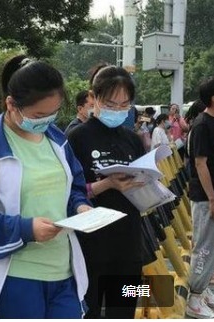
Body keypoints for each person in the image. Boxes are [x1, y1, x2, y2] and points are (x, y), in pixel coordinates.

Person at [0, 55, 92, 319]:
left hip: (64, 273)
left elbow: (74, 185)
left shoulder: (58, 142)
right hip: (15, 279)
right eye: (39, 114)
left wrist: (81, 205)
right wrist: (26, 229)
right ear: (11, 104)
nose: (47, 120)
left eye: (53, 113)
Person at [68, 65, 146, 319]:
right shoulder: (76, 138)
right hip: (93, 245)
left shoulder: (132, 139)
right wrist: (107, 184)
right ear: (94, 98)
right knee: (89, 311)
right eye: (111, 104)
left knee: (122, 311)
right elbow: (69, 192)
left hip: (129, 243)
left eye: (125, 105)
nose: (118, 111)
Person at [185, 76, 214, 319]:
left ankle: (202, 292)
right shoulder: (203, 125)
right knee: (204, 248)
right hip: (207, 199)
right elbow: (200, 164)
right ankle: (194, 299)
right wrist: (213, 199)